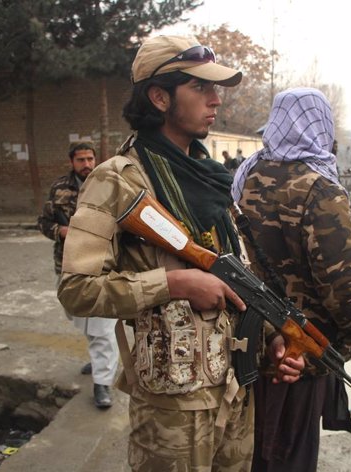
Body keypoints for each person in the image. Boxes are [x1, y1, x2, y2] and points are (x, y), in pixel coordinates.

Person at [56, 35, 303, 471]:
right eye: (201, 88)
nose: (216, 101)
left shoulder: (211, 178)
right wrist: (174, 283)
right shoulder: (117, 181)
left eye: (216, 90)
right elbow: (77, 289)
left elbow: (239, 278)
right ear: (159, 97)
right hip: (172, 411)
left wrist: (271, 342)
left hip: (236, 390)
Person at [232, 88, 351, 472]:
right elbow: (342, 284)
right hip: (299, 348)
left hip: (248, 343)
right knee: (290, 455)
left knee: (253, 448)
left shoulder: (244, 177)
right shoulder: (320, 188)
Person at [37, 142, 119, 409]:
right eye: (81, 159)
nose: (86, 164)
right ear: (71, 162)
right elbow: (44, 222)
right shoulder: (59, 188)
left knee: (102, 328)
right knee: (77, 315)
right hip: (67, 267)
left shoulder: (108, 184)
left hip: (101, 267)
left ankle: (102, 382)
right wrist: (59, 232)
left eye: (90, 158)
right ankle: (98, 361)